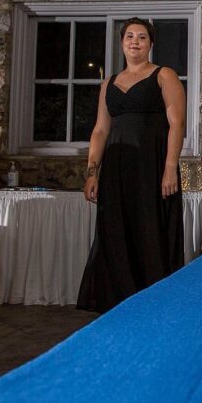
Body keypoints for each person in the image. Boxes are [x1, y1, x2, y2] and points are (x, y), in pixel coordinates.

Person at [77, 18, 187, 312]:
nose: (135, 41)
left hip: (152, 165)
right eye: (129, 36)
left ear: (150, 43)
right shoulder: (108, 84)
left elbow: (177, 125)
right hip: (116, 167)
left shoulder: (165, 75)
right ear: (122, 42)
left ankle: (155, 300)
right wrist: (92, 173)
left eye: (141, 37)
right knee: (115, 228)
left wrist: (169, 168)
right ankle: (116, 299)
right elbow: (100, 130)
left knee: (151, 228)